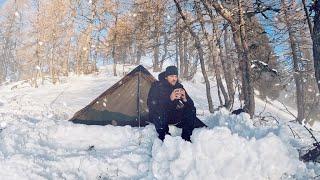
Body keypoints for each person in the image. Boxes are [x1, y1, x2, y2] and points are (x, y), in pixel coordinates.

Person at [147, 66, 207, 142]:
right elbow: (151, 105)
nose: (174, 79)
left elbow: (191, 104)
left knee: (191, 109)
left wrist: (185, 99)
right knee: (160, 110)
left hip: (172, 114)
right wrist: (170, 99)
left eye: (175, 76)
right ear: (166, 77)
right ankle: (164, 137)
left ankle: (186, 137)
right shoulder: (157, 86)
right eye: (171, 76)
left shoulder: (178, 86)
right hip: (159, 116)